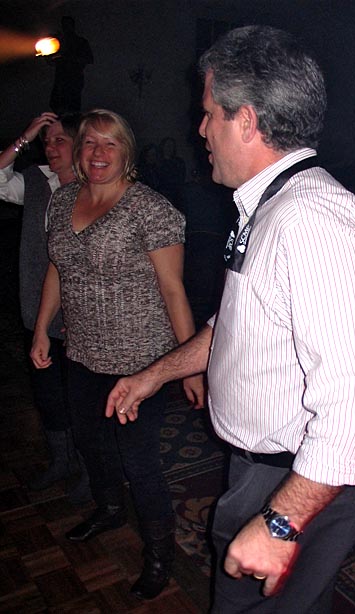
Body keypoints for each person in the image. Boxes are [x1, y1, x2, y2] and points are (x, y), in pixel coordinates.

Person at [105, 26, 355, 613]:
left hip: (298, 483)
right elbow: (233, 327)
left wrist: (280, 522)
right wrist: (153, 375)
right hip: (265, 474)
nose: (200, 130)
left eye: (208, 113)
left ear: (245, 121)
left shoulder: (310, 221)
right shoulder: (271, 206)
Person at [30, 109, 204, 601]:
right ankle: (108, 511)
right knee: (91, 441)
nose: (99, 152)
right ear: (80, 151)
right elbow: (57, 269)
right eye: (90, 142)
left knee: (138, 460)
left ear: (127, 151)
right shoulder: (64, 199)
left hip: (140, 361)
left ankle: (159, 556)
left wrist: (190, 364)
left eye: (110, 143)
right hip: (81, 351)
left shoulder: (150, 209)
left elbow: (173, 290)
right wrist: (42, 328)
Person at [0, 111, 90, 503]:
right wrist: (25, 136)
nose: (50, 148)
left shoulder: (96, 188)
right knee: (48, 394)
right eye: (46, 141)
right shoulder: (35, 181)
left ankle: (89, 471)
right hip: (37, 309)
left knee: (81, 399)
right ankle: (61, 461)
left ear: (79, 144)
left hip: (81, 317)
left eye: (59, 140)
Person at [49, 16, 93, 113]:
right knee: (58, 105)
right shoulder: (57, 43)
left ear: (72, 26)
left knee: (72, 107)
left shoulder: (81, 42)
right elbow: (51, 61)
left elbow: (88, 59)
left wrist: (70, 58)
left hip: (74, 78)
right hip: (61, 79)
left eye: (67, 25)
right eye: (64, 25)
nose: (65, 28)